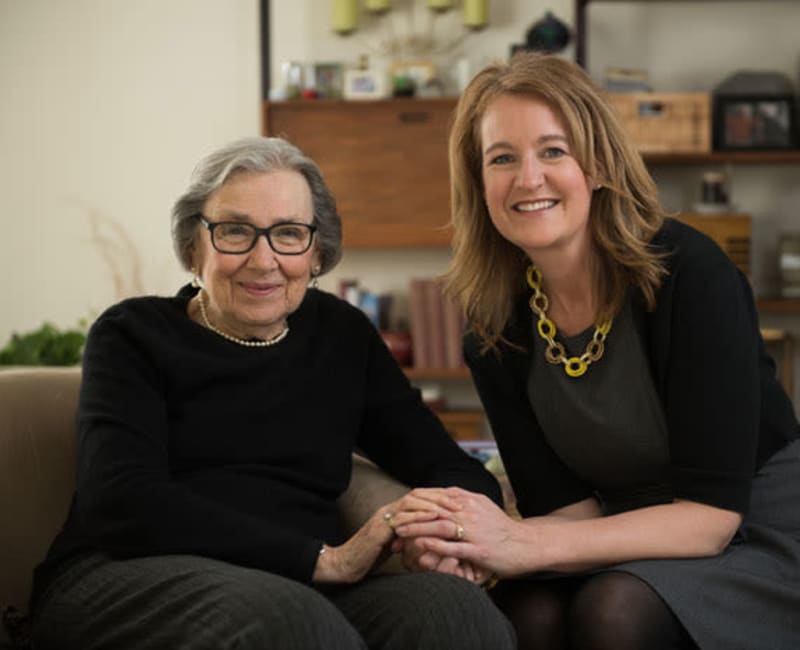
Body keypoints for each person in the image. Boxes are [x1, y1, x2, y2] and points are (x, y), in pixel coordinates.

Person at [29, 136, 516, 650]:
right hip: (126, 575)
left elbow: (451, 468)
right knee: (293, 623)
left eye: (288, 234)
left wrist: (443, 531)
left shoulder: (342, 337)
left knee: (456, 616)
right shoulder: (132, 334)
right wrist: (323, 559)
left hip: (296, 588)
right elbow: (123, 500)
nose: (264, 260)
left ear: (317, 253)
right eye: (235, 231)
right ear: (193, 247)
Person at [392, 53, 800, 650]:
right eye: (502, 158)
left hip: (752, 527)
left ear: (599, 164)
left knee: (614, 612)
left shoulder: (691, 274)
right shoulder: (494, 329)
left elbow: (711, 518)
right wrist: (472, 545)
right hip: (616, 527)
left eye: (553, 151)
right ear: (479, 184)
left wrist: (519, 542)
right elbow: (570, 511)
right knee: (524, 611)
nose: (528, 179)